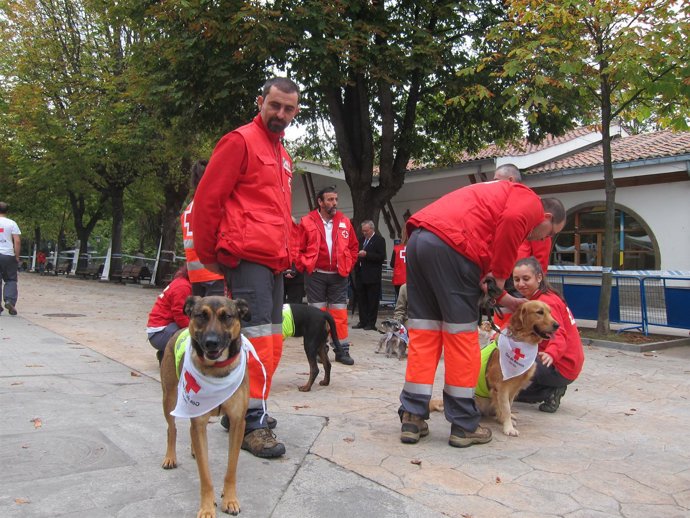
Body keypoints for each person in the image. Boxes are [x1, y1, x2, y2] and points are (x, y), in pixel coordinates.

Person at [398, 180, 565, 448]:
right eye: (548, 233)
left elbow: (483, 270)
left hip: (419, 240)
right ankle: (464, 425)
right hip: (452, 246)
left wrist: (503, 297)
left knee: (425, 334)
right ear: (546, 216)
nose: (543, 239)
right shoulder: (529, 201)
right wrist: (500, 276)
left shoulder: (491, 200)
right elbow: (511, 221)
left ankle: (412, 417)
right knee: (461, 338)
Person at [191, 77, 300, 459]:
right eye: (275, 106)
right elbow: (207, 200)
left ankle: (245, 408)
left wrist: (290, 254)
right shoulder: (239, 142)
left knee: (270, 342)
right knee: (252, 343)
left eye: (289, 109)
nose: (281, 114)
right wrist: (209, 257)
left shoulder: (284, 156)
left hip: (273, 262)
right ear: (261, 102)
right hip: (247, 258)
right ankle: (250, 424)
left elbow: (279, 213)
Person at [512, 257, 585, 412]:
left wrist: (551, 353)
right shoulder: (536, 298)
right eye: (516, 279)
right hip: (561, 362)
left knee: (509, 385)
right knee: (514, 390)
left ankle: (551, 389)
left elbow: (559, 334)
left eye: (526, 279)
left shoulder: (546, 302)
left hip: (560, 364)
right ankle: (548, 390)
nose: (520, 284)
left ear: (539, 277)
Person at [297, 186, 358, 365]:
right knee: (316, 314)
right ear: (320, 202)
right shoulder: (307, 221)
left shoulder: (345, 222)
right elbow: (297, 247)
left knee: (339, 313)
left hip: (339, 275)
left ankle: (341, 350)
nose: (334, 203)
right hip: (315, 276)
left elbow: (354, 247)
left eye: (336, 200)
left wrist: (348, 264)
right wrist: (305, 265)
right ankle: (318, 349)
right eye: (330, 200)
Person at [494, 163, 552, 275]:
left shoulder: (533, 207)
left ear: (510, 180)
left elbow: (541, 250)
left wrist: (539, 280)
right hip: (498, 268)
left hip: (519, 273)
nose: (493, 185)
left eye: (497, 180)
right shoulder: (500, 205)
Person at [180, 159, 225, 297]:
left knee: (199, 316)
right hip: (213, 270)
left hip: (194, 273)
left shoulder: (188, 208)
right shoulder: (210, 204)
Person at [146, 266, 192, 364]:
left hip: (158, 331)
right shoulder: (183, 287)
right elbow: (179, 314)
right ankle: (167, 355)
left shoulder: (180, 281)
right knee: (188, 332)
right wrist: (193, 329)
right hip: (159, 334)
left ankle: (164, 354)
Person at [353, 220, 386, 331]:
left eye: (366, 231)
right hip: (361, 274)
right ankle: (363, 321)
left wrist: (367, 254)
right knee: (362, 299)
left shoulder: (379, 240)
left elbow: (381, 257)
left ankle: (371, 323)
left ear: (372, 229)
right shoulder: (361, 240)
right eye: (363, 231)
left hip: (372, 275)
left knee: (372, 300)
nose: (364, 233)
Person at [0, 202, 22, 316]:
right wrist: (16, 256)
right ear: (6, 211)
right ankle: (9, 300)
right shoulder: (12, 223)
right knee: (10, 280)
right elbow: (17, 241)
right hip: (8, 255)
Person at [390, 226, 408, 302]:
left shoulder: (396, 248)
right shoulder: (414, 247)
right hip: (410, 279)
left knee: (400, 301)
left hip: (398, 279)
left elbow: (392, 264)